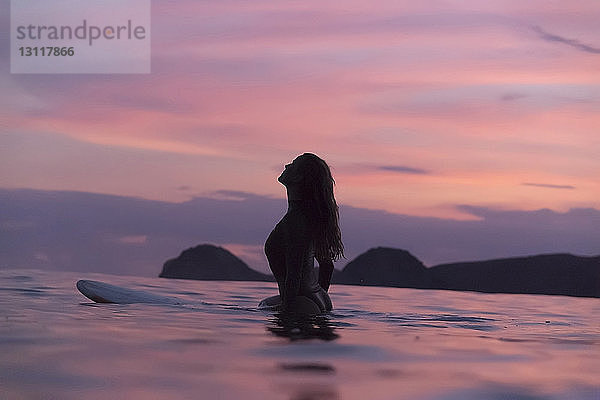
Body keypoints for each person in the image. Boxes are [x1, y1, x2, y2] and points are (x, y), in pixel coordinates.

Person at [261, 153, 344, 314]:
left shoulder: (295, 220)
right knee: (264, 304)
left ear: (299, 178)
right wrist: (320, 298)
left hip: (301, 301)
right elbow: (327, 266)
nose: (286, 166)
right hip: (318, 297)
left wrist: (288, 308)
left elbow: (294, 275)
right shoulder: (309, 217)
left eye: (293, 164)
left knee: (264, 308)